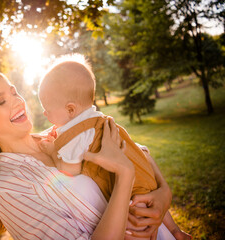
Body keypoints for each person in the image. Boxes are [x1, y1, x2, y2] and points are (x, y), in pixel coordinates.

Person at [0, 71, 173, 239]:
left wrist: (164, 193)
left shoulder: (60, 133)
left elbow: (134, 148)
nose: (17, 101)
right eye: (1, 101)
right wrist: (125, 177)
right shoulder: (9, 190)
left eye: (14, 92)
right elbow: (125, 168)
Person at [37, 54, 191, 240]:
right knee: (151, 200)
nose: (44, 113)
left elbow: (70, 168)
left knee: (141, 227)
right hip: (144, 173)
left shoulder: (76, 134)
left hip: (131, 192)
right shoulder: (97, 121)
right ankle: (175, 231)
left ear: (70, 110)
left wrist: (53, 151)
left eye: (47, 108)